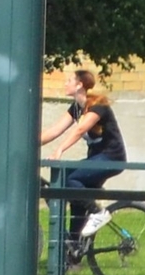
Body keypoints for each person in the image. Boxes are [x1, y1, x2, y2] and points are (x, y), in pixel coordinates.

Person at [42, 69, 127, 248]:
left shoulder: (98, 105)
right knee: (76, 199)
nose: (65, 83)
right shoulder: (75, 108)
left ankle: (98, 213)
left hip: (112, 158)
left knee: (68, 178)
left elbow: (80, 130)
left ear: (80, 85)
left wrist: (60, 150)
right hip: (96, 158)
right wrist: (25, 145)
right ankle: (74, 252)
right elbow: (54, 130)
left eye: (69, 81)